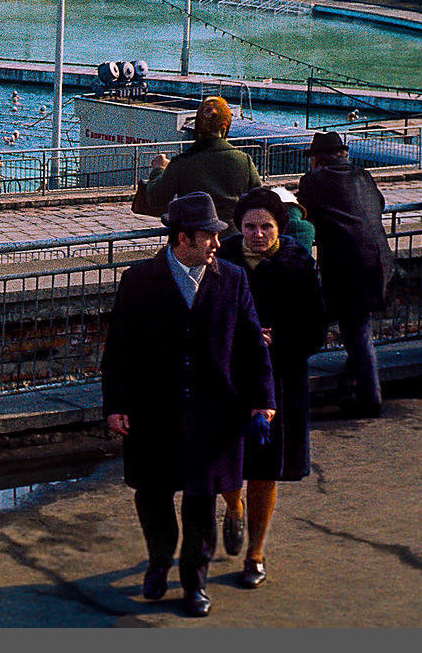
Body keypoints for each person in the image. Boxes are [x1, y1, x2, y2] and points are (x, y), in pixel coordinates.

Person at [102, 192, 276, 618]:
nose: (218, 243)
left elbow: (253, 344)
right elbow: (120, 348)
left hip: (215, 412)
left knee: (202, 498)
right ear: (183, 239)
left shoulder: (232, 279)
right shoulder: (139, 280)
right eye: (209, 237)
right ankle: (160, 562)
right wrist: (116, 405)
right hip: (152, 409)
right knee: (153, 494)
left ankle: (194, 582)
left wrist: (263, 400)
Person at [218, 188, 326, 590]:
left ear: (280, 226)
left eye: (266, 226)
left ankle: (256, 553)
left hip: (280, 378)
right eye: (250, 226)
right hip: (228, 375)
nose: (258, 234)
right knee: (224, 458)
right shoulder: (222, 259)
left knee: (266, 469)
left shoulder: (298, 263)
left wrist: (277, 338)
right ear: (239, 227)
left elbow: (316, 329)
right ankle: (233, 506)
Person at [296, 132, 392, 416]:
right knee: (358, 326)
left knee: (355, 328)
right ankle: (356, 378)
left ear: (316, 160)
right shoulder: (363, 175)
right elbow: (381, 204)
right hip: (379, 258)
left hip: (347, 263)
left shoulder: (313, 181)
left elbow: (304, 213)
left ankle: (370, 399)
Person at [144, 96, 262, 224]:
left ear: (198, 125)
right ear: (226, 126)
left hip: (193, 237)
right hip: (232, 236)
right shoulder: (244, 160)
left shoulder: (182, 162)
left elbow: (156, 199)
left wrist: (159, 169)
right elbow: (258, 199)